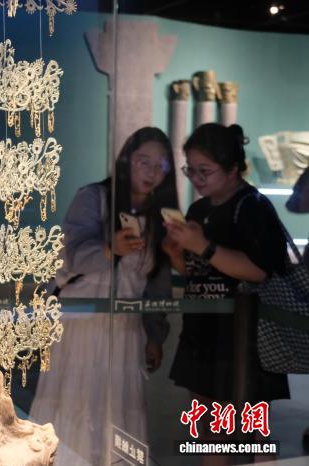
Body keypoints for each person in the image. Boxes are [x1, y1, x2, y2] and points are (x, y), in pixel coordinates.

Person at [29, 127, 177, 466]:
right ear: (126, 161)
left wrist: (155, 335)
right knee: (77, 401)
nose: (151, 172)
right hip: (82, 323)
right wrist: (111, 249)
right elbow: (70, 255)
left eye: (160, 165)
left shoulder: (161, 216)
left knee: (118, 406)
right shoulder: (94, 197)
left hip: (125, 329)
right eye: (144, 162)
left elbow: (156, 284)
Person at [164, 123, 290, 465]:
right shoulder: (199, 210)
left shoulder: (253, 207)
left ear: (233, 169)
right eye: (190, 170)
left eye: (204, 171)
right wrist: (176, 253)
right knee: (209, 430)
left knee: (251, 434)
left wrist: (202, 246)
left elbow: (258, 270)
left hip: (243, 337)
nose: (196, 178)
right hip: (203, 332)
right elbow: (196, 274)